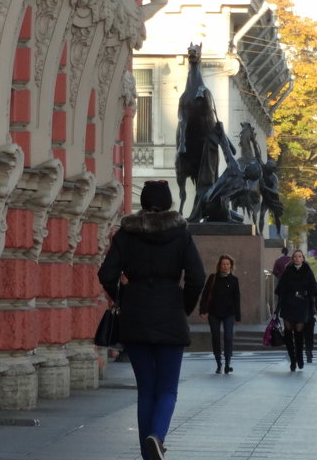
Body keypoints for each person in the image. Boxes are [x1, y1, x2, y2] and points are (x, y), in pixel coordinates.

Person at [99, 180, 206, 460]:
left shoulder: (126, 233)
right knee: (168, 388)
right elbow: (197, 277)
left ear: (143, 202)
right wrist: (183, 304)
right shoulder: (181, 233)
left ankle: (149, 454)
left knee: (146, 389)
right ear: (170, 202)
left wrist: (123, 299)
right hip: (170, 312)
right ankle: (156, 436)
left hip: (135, 316)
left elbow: (106, 274)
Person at [274, 250, 317, 371]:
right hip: (288, 304)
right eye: (295, 257)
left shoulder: (307, 271)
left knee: (299, 332)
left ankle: (299, 356)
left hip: (302, 304)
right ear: (292, 259)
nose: (297, 259)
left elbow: (314, 289)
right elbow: (279, 289)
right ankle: (292, 359)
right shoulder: (287, 271)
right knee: (288, 332)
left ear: (303, 258)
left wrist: (306, 294)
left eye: (299, 257)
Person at [198, 254, 242, 374]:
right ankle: (218, 362)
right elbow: (205, 295)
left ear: (231, 266)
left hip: (229, 313)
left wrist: (238, 316)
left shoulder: (234, 280)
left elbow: (237, 299)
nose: (225, 266)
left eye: (227, 264)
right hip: (214, 313)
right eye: (223, 264)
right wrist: (202, 310)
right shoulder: (213, 278)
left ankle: (228, 363)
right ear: (219, 265)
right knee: (216, 337)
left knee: (228, 337)